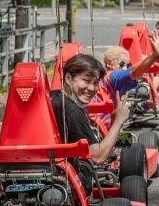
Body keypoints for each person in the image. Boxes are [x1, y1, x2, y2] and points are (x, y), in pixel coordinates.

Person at [51, 53, 132, 192]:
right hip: (69, 177)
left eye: (95, 83)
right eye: (86, 81)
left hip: (46, 165)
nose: (92, 88)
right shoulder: (72, 111)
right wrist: (119, 120)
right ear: (68, 78)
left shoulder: (52, 97)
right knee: (126, 141)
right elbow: (98, 157)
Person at [99, 30, 159, 105]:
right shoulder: (112, 76)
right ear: (109, 64)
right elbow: (133, 72)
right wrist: (155, 55)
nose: (125, 68)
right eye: (121, 64)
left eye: (128, 65)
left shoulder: (106, 77)